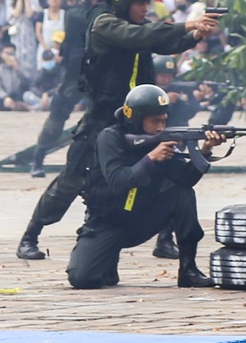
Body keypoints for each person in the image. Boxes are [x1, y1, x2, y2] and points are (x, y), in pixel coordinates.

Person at [15, 0, 219, 262]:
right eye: (139, 3)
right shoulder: (105, 24)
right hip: (102, 122)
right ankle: (30, 236)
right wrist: (187, 23)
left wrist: (196, 34)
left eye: (147, 3)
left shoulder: (138, 25)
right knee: (71, 180)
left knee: (166, 169)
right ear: (123, 3)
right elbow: (141, 36)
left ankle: (165, 239)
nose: (145, 9)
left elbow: (162, 42)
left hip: (140, 119)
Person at [67, 84, 223, 289]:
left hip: (142, 218)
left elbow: (184, 180)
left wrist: (204, 151)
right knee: (83, 279)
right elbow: (118, 182)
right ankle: (106, 261)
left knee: (182, 193)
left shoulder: (163, 141)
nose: (160, 127)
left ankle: (188, 269)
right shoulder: (110, 138)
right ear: (136, 118)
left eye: (164, 121)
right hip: (108, 221)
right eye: (154, 121)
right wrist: (151, 159)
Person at [22, 0, 104, 178]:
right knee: (57, 114)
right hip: (76, 75)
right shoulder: (76, 15)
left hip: (101, 74)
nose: (97, 3)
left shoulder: (106, 14)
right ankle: (38, 159)